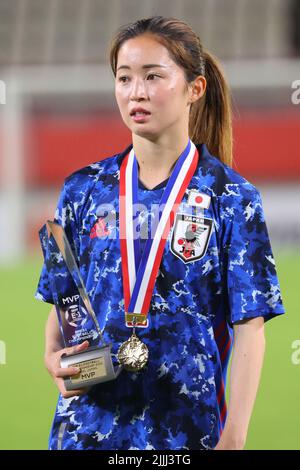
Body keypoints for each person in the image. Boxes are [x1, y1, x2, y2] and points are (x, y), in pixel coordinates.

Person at [35, 16, 285, 450]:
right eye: (125, 77)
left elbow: (250, 327)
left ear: (195, 89)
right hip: (86, 431)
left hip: (186, 433)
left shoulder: (232, 197)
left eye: (154, 76)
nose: (137, 92)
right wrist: (53, 357)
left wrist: (234, 438)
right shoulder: (83, 189)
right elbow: (65, 302)